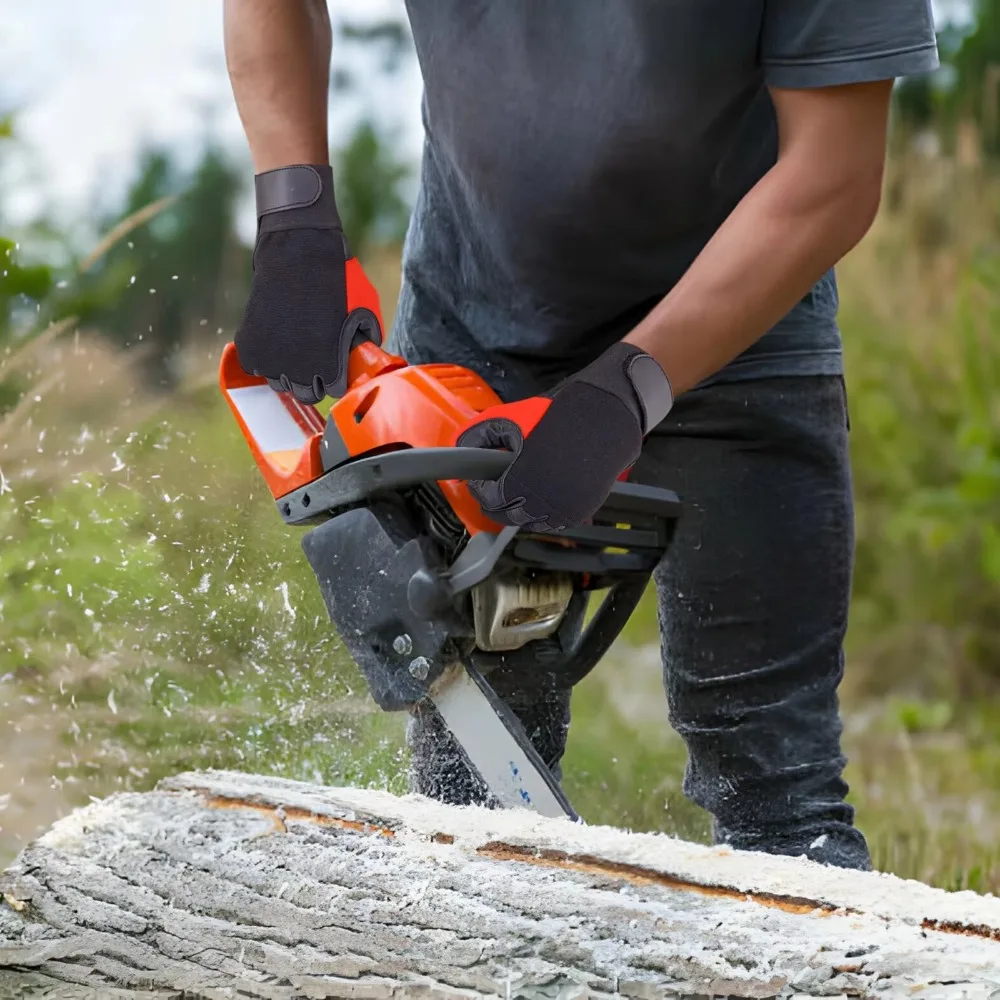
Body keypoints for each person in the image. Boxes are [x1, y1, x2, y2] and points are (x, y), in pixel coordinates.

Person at [223, 0, 939, 870]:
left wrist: (624, 392)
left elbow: (835, 172)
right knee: (472, 795)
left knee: (779, 791)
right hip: (475, 329)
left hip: (747, 326)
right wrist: (294, 215)